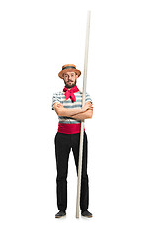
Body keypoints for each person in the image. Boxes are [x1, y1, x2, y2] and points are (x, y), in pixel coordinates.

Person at [52, 64, 93, 218]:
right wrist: (81, 110)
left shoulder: (85, 96)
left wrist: (72, 113)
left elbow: (89, 116)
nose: (69, 78)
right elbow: (60, 111)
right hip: (61, 137)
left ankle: (84, 208)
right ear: (63, 78)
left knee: (82, 173)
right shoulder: (57, 95)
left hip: (79, 136)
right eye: (66, 75)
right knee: (61, 173)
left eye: (72, 75)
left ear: (77, 77)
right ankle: (61, 208)